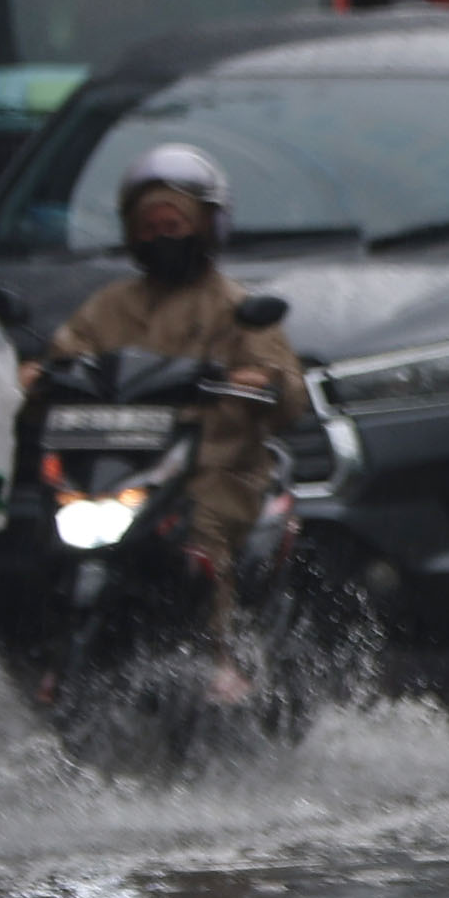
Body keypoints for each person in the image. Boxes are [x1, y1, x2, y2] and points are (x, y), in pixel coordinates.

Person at [38, 141, 312, 699]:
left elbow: (286, 388)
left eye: (174, 223)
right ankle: (49, 650)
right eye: (149, 225)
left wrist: (260, 380)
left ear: (209, 227)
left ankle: (219, 656)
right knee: (42, 529)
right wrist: (39, 372)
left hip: (215, 469)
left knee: (200, 535)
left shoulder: (235, 306)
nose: (162, 235)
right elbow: (66, 354)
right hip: (121, 467)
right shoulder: (109, 305)